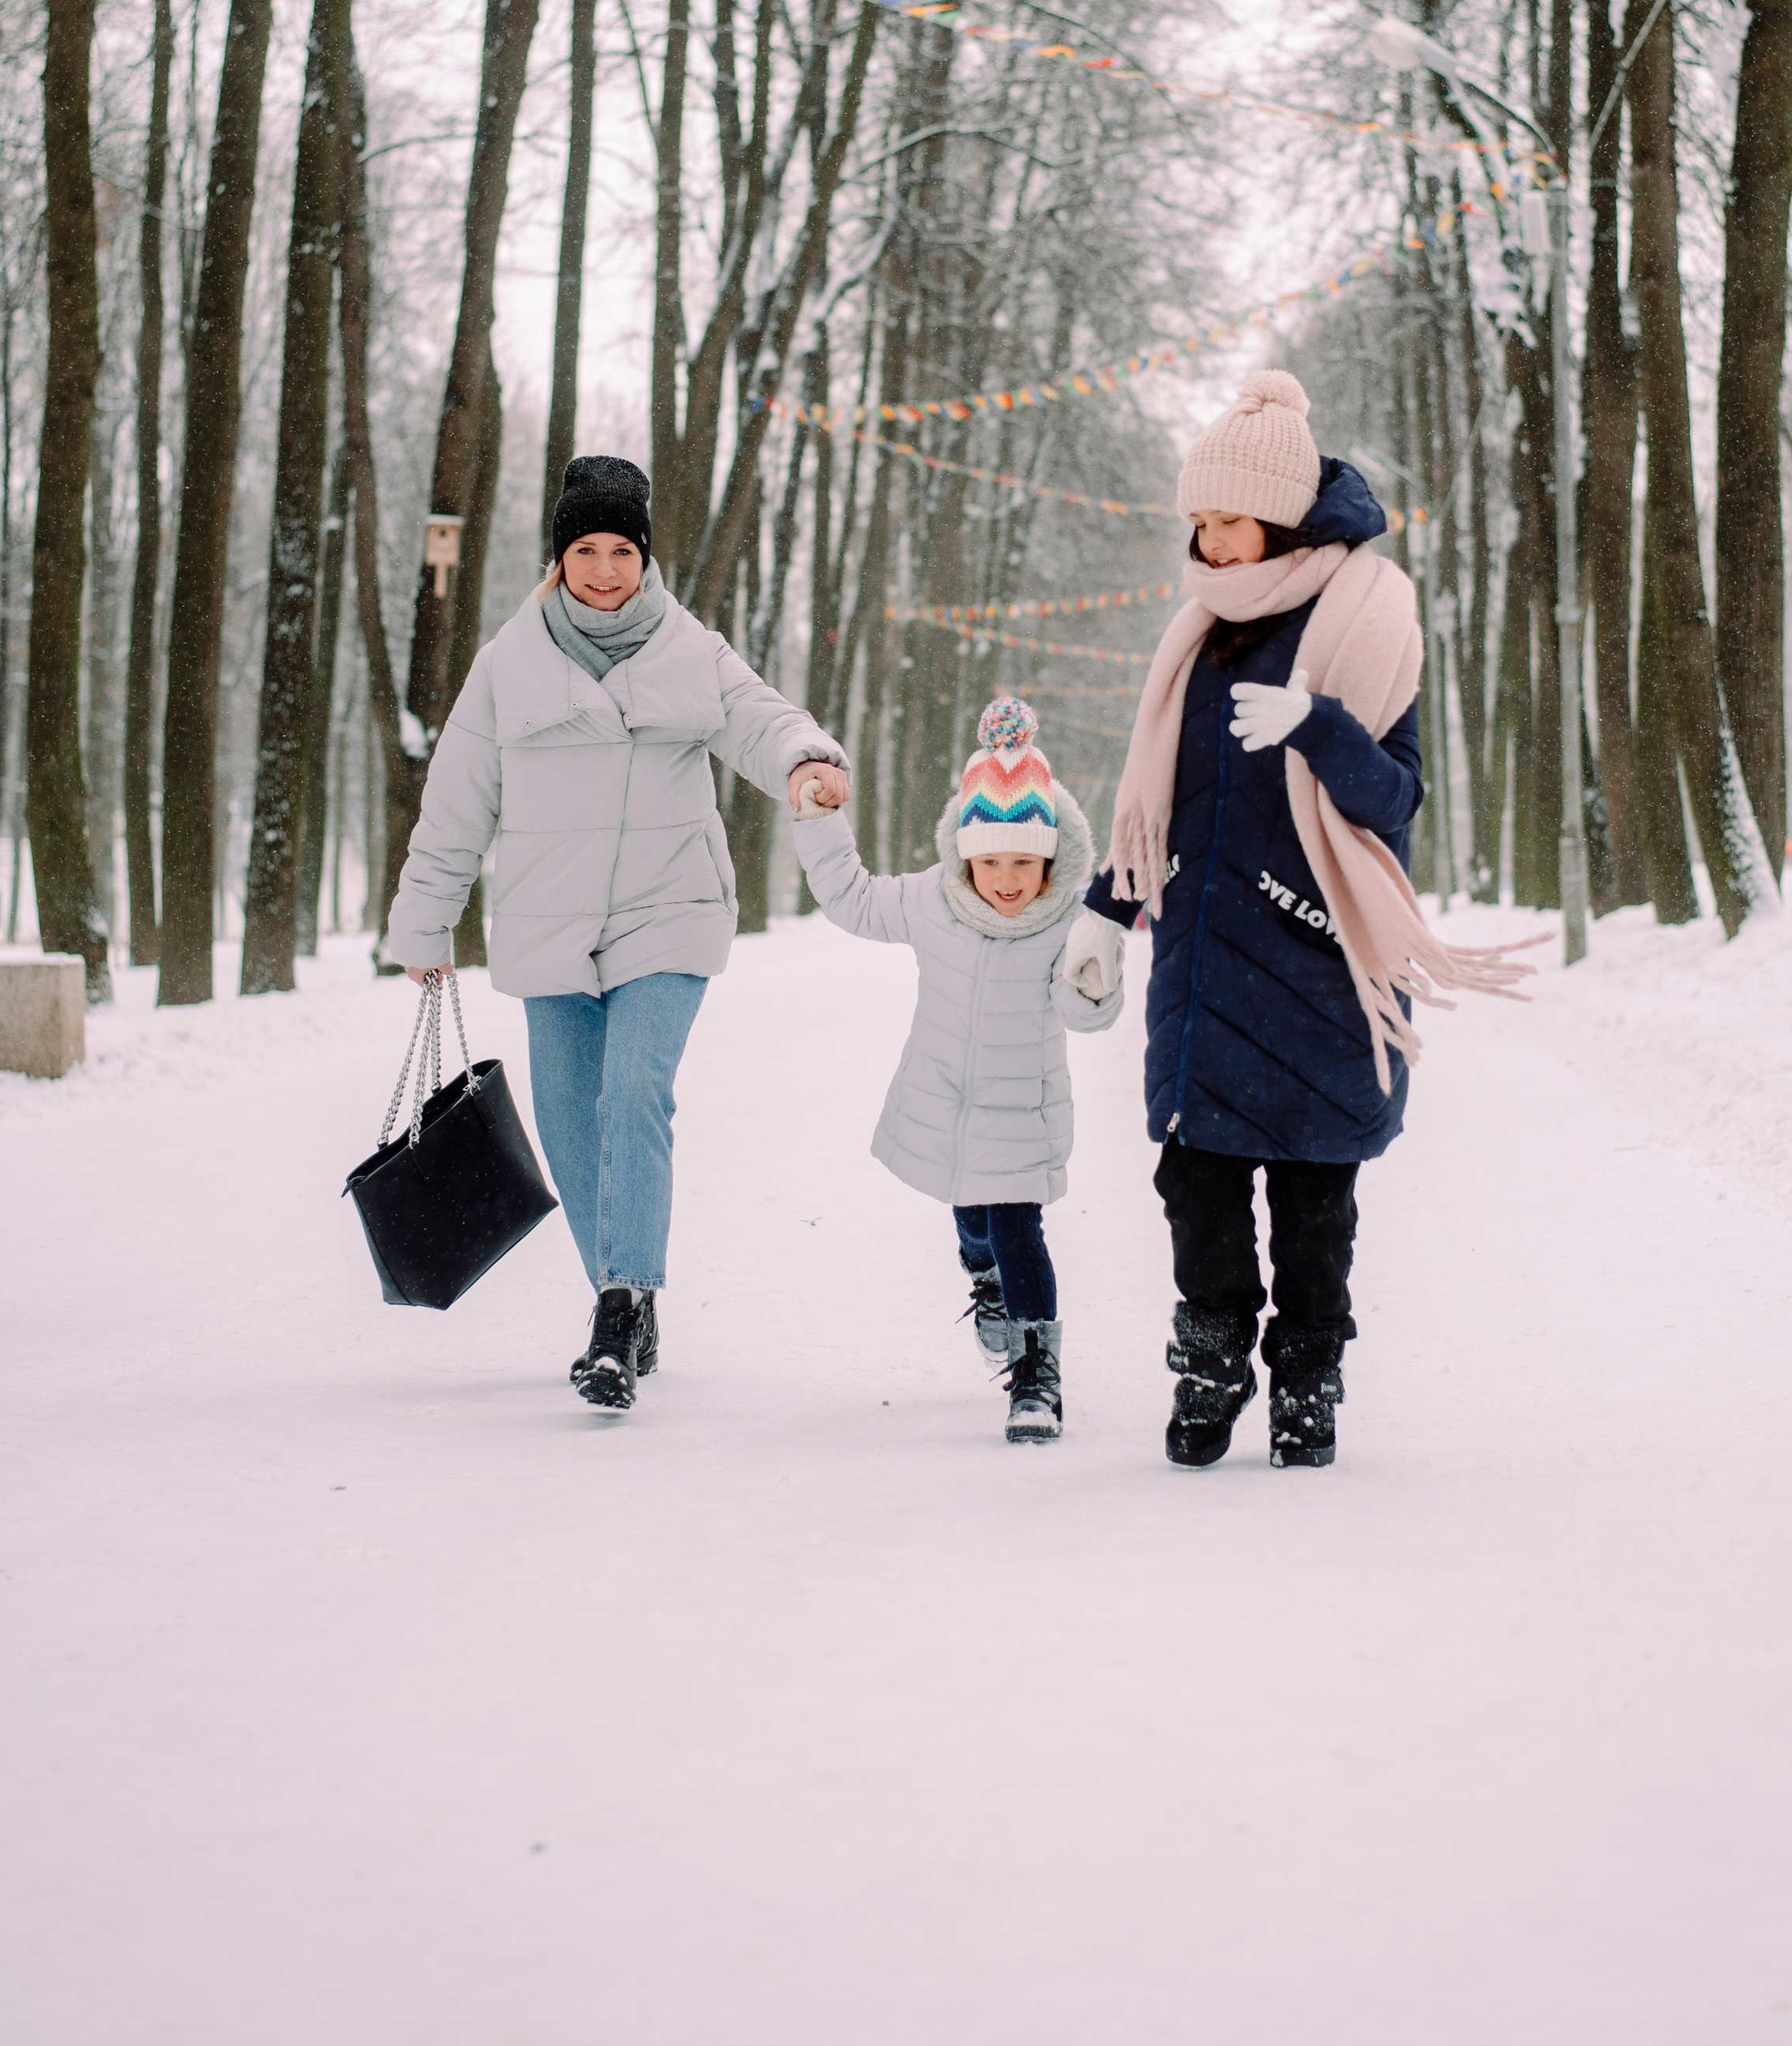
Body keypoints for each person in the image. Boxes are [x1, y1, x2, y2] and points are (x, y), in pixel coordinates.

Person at [1065, 368, 1532, 1471]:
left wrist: (1317, 725)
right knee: (1197, 1192)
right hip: (1202, 967)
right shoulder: (1198, 635)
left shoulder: (1369, 617)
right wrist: (1104, 912)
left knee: (1316, 1208)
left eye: (1226, 519)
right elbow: (1164, 801)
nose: (1208, 540)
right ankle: (1211, 1365)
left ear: (1278, 514)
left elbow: (1393, 799)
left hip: (1320, 967)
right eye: (1198, 520)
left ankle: (1307, 1384)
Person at [386, 453, 849, 1413]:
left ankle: (620, 1304)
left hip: (667, 910)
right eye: (586, 550)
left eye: (622, 551)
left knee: (634, 1090)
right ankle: (622, 1298)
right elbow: (456, 806)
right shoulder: (507, 664)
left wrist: (805, 759)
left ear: (646, 558)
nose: (604, 570)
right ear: (559, 558)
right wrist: (425, 923)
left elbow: (760, 720)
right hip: (549, 922)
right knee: (568, 1121)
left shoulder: (690, 650)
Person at [789, 697, 1123, 1443]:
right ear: (966, 855)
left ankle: (1037, 1374)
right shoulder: (930, 902)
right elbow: (850, 898)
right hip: (945, 1101)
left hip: (1023, 1111)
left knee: (1016, 1226)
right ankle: (984, 1278)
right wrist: (819, 821)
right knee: (974, 1223)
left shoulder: (1068, 920)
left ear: (1050, 859)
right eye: (992, 861)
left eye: (1024, 863)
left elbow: (1085, 1016)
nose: (1007, 879)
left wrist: (1095, 982)